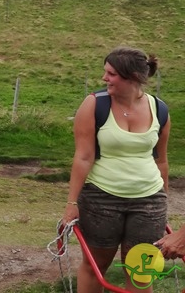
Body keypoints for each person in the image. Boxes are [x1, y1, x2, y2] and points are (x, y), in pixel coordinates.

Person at [62, 46, 170, 293]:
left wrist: (163, 198)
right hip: (101, 198)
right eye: (105, 72)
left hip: (149, 201)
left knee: (141, 271)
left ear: (131, 76)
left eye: (111, 74)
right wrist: (71, 203)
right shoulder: (94, 104)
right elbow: (83, 157)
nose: (104, 78)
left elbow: (161, 160)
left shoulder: (160, 109)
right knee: (95, 265)